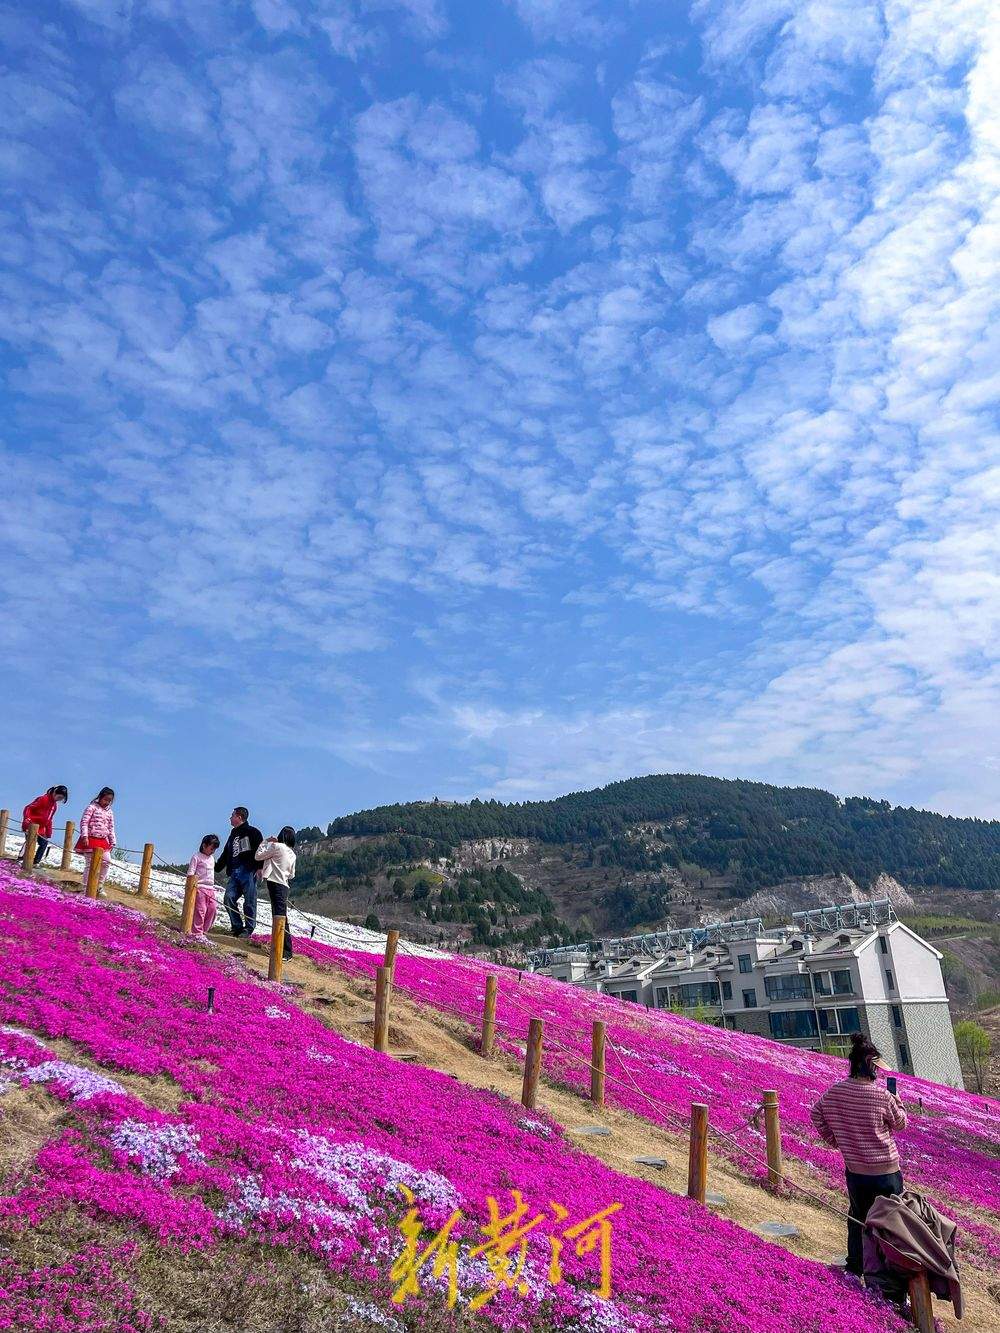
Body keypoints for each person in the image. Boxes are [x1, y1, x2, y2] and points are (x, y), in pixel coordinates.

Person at [810, 1032, 908, 1278]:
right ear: (870, 1065)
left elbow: (816, 1113)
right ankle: (891, 1274)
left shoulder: (836, 1092)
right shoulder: (882, 1095)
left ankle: (855, 1267)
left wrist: (836, 1141)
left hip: (856, 1172)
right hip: (886, 1172)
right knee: (891, 1222)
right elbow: (900, 1124)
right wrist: (899, 1102)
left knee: (857, 1217)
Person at [217, 806, 262, 937]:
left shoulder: (253, 832)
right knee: (228, 898)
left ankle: (248, 928)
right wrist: (216, 867)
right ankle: (237, 926)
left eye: (232, 815)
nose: (230, 818)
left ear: (239, 817)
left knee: (249, 901)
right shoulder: (233, 834)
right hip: (234, 872)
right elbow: (226, 853)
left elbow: (260, 851)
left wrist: (259, 867)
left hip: (248, 871)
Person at [255, 826, 297, 960]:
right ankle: (280, 948)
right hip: (284, 885)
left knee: (279, 917)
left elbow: (258, 856)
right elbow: (292, 875)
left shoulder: (277, 846)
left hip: (275, 882)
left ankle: (285, 951)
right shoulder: (292, 853)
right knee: (281, 916)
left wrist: (265, 841)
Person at [77, 787, 116, 895]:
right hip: (90, 838)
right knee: (90, 865)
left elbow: (111, 827)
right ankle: (86, 888)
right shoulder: (92, 807)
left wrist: (112, 841)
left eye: (109, 800)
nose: (107, 802)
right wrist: (84, 835)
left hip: (103, 840)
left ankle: (99, 885)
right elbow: (84, 822)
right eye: (105, 799)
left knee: (106, 862)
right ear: (100, 797)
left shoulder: (110, 812)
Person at [21, 785, 69, 867]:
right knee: (30, 842)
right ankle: (21, 858)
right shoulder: (43, 799)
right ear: (54, 792)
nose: (59, 799)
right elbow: (28, 808)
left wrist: (49, 832)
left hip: (41, 829)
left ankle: (35, 862)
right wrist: (27, 819)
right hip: (31, 825)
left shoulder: (54, 806)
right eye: (59, 797)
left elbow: (49, 819)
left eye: (61, 799)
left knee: (44, 843)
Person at [187, 834, 220, 940]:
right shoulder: (196, 856)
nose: (213, 851)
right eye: (211, 848)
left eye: (214, 849)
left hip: (210, 888)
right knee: (201, 910)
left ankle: (204, 930)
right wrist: (190, 885)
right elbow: (191, 872)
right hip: (200, 887)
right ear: (204, 845)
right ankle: (197, 932)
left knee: (213, 909)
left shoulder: (211, 858)